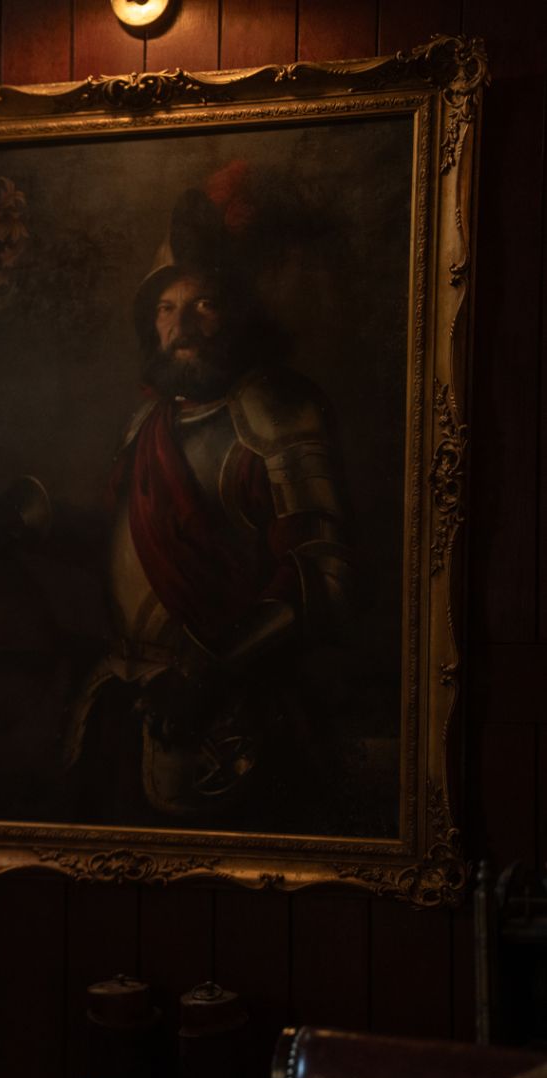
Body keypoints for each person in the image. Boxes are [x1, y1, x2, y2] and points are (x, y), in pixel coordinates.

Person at [64, 178, 361, 822]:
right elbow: (120, 542)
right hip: (124, 699)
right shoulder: (144, 425)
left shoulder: (276, 412)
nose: (181, 325)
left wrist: (206, 673)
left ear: (237, 316)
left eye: (204, 304)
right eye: (166, 309)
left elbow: (321, 576)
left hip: (229, 710)